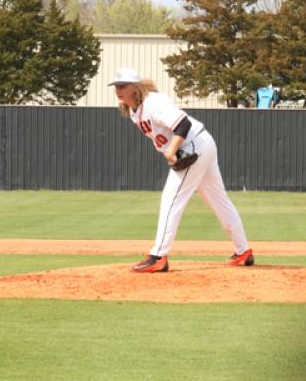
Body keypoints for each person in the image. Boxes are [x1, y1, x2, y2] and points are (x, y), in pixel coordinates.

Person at [108, 68, 254, 273]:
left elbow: (183, 124)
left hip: (193, 146)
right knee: (218, 200)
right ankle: (243, 252)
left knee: (171, 199)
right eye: (116, 86)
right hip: (202, 143)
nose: (118, 90)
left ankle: (158, 256)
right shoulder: (134, 110)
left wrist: (172, 150)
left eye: (123, 86)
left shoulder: (153, 102)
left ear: (135, 87)